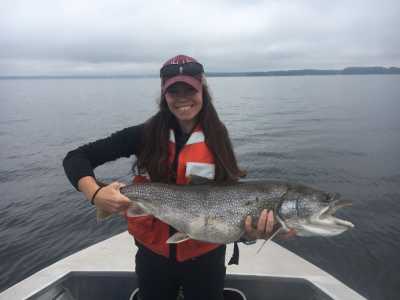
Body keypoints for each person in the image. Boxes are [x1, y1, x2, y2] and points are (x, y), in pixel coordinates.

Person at [63, 54, 279, 300]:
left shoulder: (218, 138)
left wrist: (250, 233)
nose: (182, 98)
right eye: (174, 91)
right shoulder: (142, 134)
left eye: (190, 89)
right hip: (153, 256)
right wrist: (96, 194)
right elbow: (75, 158)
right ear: (164, 95)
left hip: (206, 258)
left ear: (203, 91)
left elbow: (230, 201)